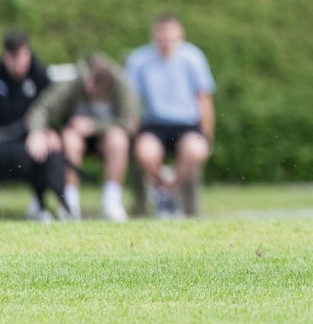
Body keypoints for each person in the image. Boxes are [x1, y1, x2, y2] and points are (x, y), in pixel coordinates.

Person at [26, 52, 140, 221]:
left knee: (118, 140)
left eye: (96, 90)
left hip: (106, 137)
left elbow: (130, 123)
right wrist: (37, 132)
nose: (90, 91)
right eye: (88, 84)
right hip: (74, 136)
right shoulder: (74, 83)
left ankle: (112, 201)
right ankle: (70, 201)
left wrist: (94, 126)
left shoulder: (122, 85)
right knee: (70, 138)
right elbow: (42, 108)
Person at [125, 14, 215, 217]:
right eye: (161, 35)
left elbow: (204, 99)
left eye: (170, 35)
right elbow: (132, 102)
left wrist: (208, 135)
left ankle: (171, 189)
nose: (165, 41)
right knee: (145, 152)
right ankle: (163, 188)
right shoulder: (139, 60)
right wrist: (133, 133)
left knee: (196, 150)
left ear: (180, 35)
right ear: (154, 35)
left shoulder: (193, 58)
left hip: (187, 124)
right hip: (154, 124)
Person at [0, 30, 70, 220]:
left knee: (48, 150)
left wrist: (47, 132)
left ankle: (59, 206)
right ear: (6, 56)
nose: (19, 65)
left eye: (22, 57)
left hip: (31, 137)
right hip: (4, 140)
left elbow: (49, 110)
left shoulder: (39, 74)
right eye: (13, 59)